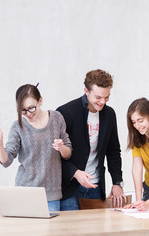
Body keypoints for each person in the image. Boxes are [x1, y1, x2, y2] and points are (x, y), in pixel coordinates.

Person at [0, 84, 72, 212]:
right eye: (23, 110)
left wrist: (61, 147)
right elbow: (6, 161)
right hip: (25, 193)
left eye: (31, 108)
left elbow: (68, 153)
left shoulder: (56, 118)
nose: (28, 114)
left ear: (40, 101)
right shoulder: (18, 126)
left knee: (51, 231)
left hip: (51, 194)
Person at [56, 69, 125, 211]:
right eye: (98, 97)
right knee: (72, 231)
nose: (102, 102)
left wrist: (117, 182)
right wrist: (75, 172)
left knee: (95, 231)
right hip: (70, 187)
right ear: (86, 91)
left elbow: (113, 152)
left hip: (96, 187)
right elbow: (55, 154)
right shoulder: (65, 112)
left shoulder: (109, 114)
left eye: (107, 97)